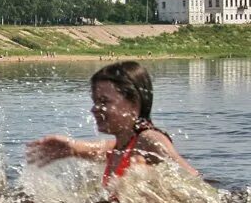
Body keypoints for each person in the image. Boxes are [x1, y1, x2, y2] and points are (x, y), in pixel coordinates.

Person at [27, 61, 199, 186]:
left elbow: (194, 181)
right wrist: (72, 149)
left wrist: (153, 180)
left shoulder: (150, 139)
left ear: (134, 104)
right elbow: (106, 149)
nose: (94, 109)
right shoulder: (124, 145)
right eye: (94, 101)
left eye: (104, 101)